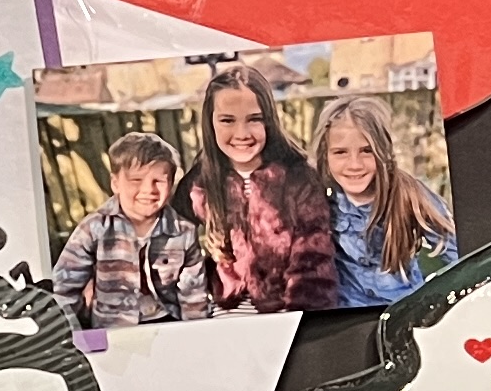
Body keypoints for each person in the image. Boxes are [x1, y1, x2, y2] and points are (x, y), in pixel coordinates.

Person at [181, 60, 338, 311]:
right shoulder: (200, 182)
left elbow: (313, 258)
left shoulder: (298, 178)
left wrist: (301, 318)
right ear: (210, 123)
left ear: (269, 121)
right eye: (227, 120)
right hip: (225, 309)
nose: (242, 133)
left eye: (254, 119)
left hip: (286, 308)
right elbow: (168, 237)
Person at [45, 128, 215, 327]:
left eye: (159, 181)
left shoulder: (183, 232)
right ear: (115, 183)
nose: (148, 190)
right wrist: (75, 330)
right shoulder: (94, 228)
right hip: (113, 327)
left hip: (166, 324)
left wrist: (195, 332)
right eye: (136, 180)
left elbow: (193, 294)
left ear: (171, 183)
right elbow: (65, 286)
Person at [319, 97, 457, 308]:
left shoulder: (409, 193)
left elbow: (459, 254)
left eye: (367, 151)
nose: (354, 164)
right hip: (344, 318)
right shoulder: (319, 202)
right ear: (325, 156)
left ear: (383, 151)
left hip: (402, 312)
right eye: (340, 152)